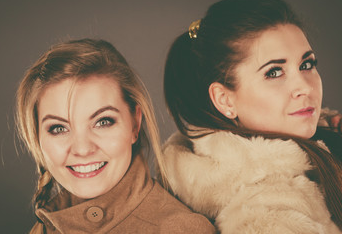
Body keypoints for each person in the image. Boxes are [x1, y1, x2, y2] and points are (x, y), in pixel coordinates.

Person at [162, 0, 342, 233]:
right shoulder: (268, 217)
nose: (305, 87)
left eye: (306, 65)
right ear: (225, 100)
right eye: (274, 72)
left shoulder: (331, 146)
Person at [15, 39, 215, 233]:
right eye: (59, 128)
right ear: (37, 136)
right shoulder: (44, 226)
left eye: (103, 122)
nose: (83, 149)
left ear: (134, 125)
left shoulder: (180, 229)